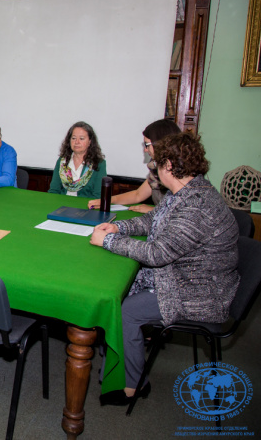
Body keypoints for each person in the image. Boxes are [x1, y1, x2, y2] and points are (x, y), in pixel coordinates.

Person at [90, 133, 239, 406]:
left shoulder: (196, 205)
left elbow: (158, 254)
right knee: (120, 289)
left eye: (156, 162)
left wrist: (109, 240)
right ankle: (118, 364)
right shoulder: (188, 190)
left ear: (169, 165)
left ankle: (133, 385)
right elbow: (152, 220)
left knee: (128, 311)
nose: (153, 167)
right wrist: (119, 227)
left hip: (200, 292)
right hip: (186, 277)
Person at [88, 118, 181, 213]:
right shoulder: (156, 169)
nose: (145, 150)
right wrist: (107, 201)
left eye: (147, 145)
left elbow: (184, 211)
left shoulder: (184, 173)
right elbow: (138, 194)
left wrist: (154, 210)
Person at [48, 121, 106, 198]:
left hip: (85, 207)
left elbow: (98, 196)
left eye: (81, 138)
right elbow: (54, 191)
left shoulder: (99, 163)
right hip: (61, 206)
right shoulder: (62, 161)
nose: (77, 142)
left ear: (90, 142)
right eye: (73, 138)